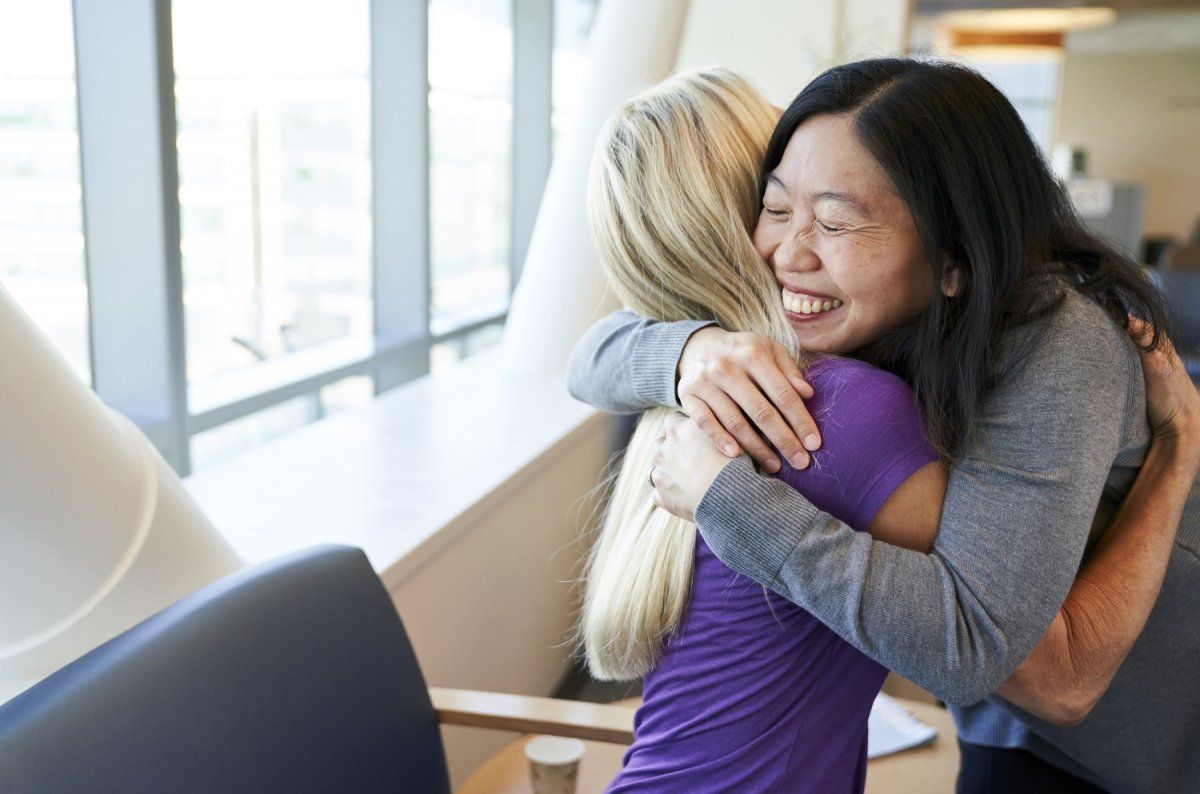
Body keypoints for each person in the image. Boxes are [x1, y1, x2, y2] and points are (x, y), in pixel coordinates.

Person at [573, 65, 1200, 793]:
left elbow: (1048, 674)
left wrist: (1177, 452)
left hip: (1127, 739)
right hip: (1003, 717)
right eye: (774, 208)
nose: (790, 254)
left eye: (835, 221)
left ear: (953, 259)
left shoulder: (1048, 344)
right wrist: (685, 351)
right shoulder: (828, 342)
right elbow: (586, 359)